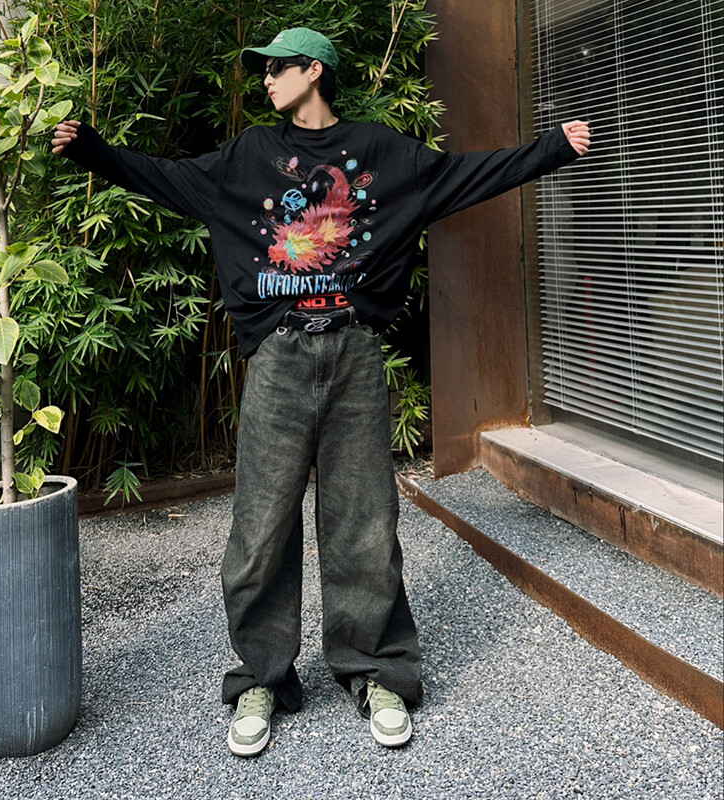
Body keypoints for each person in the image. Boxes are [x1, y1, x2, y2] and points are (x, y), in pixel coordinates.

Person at [52, 27, 590, 757]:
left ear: (314, 70)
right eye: (264, 69)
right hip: (278, 357)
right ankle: (261, 678)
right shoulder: (248, 155)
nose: (265, 79)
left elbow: (462, 178)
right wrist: (92, 151)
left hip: (354, 355)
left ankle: (374, 669)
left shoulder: (381, 150)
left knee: (364, 521)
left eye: (277, 67)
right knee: (259, 528)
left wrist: (551, 148)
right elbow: (168, 179)